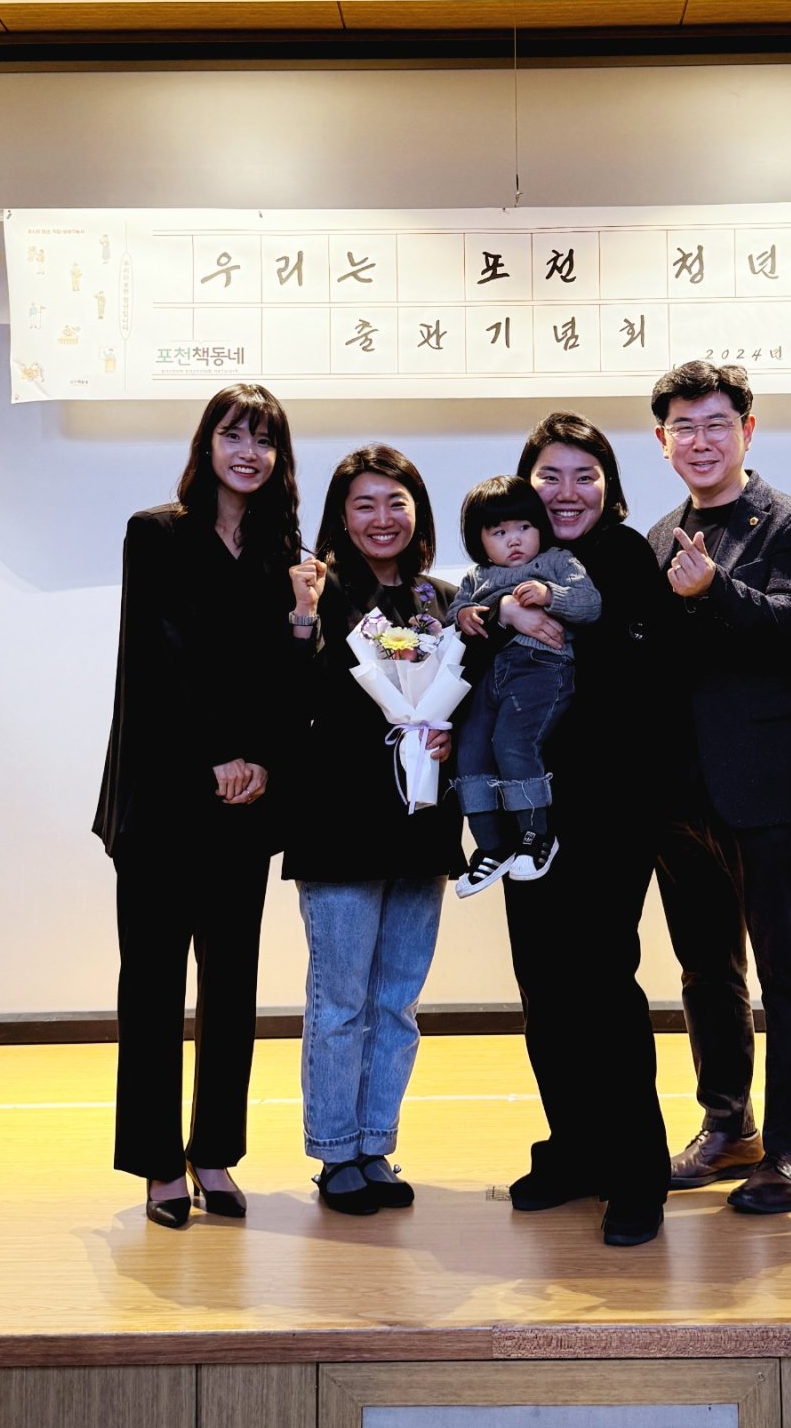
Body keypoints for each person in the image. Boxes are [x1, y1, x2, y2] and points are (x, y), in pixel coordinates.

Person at [461, 413, 672, 1245]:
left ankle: (637, 1172)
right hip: (529, 810)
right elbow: (473, 671)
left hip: (610, 806)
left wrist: (540, 621)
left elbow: (641, 667)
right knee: (543, 985)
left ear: (609, 486)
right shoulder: (508, 567)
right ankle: (576, 1147)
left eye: (586, 475)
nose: (567, 491)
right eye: (550, 476)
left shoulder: (620, 555)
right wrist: (499, 618)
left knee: (602, 981)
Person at [94, 383, 300, 1229]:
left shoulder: (284, 549)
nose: (249, 452)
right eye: (234, 434)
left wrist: (261, 762)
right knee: (151, 985)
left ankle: (213, 1150)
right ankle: (156, 1163)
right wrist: (215, 757)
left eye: (265, 439)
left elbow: (284, 678)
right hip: (163, 794)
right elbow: (157, 657)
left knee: (232, 985)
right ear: (207, 443)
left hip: (244, 801)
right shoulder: (157, 533)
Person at [647, 360, 791, 1214]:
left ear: (747, 430)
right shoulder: (658, 533)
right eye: (683, 427)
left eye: (716, 423)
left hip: (767, 788)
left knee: (789, 974)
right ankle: (730, 1126)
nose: (700, 440)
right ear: (662, 441)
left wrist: (715, 588)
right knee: (706, 973)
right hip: (679, 793)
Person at [283, 446, 460, 1216]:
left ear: (417, 509)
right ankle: (334, 1152)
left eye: (396, 501)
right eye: (364, 504)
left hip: (419, 822)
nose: (382, 518)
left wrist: (452, 734)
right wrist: (299, 616)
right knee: (340, 1001)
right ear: (341, 516)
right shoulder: (317, 593)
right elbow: (287, 697)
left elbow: (467, 698)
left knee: (396, 1003)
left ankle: (376, 1144)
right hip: (339, 822)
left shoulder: (440, 600)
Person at [448, 474, 601, 896]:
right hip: (490, 676)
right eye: (499, 532)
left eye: (524, 527)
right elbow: (455, 617)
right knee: (471, 749)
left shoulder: (557, 561)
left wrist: (550, 595)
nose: (514, 539)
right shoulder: (477, 576)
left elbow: (590, 604)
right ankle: (490, 846)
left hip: (541, 668)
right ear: (479, 540)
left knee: (512, 743)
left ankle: (536, 835)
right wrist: (464, 615)